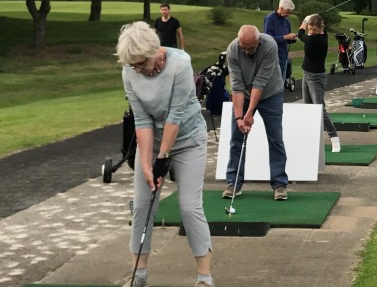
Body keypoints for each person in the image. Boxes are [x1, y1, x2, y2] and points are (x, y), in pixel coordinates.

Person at [116, 22, 212, 287]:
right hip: (154, 140)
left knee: (189, 207)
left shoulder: (180, 63)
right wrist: (147, 165)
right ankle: (140, 275)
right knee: (142, 206)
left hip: (189, 139)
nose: (136, 69)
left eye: (139, 64)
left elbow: (175, 115)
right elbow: (142, 120)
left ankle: (205, 277)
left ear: (153, 51)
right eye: (132, 65)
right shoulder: (129, 71)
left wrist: (162, 159)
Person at [225, 25, 289, 201]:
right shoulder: (233, 49)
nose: (246, 51)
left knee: (275, 138)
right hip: (244, 94)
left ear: (258, 42)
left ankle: (279, 184)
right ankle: (234, 183)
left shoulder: (269, 45)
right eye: (243, 47)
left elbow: (260, 83)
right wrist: (240, 117)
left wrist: (250, 113)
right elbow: (236, 86)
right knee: (236, 138)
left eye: (250, 48)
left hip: (271, 94)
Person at [298, 14, 339, 152]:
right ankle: (311, 140)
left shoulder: (316, 40)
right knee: (308, 108)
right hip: (306, 75)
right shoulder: (322, 34)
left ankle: (334, 138)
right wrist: (310, 20)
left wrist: (304, 21)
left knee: (320, 109)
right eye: (310, 29)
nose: (311, 32)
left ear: (320, 28)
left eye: (314, 29)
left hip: (316, 78)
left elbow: (300, 33)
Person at [263, 0, 297, 90]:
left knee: (281, 81)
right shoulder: (270, 19)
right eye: (288, 11)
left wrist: (293, 38)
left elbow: (287, 38)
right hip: (273, 55)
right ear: (281, 8)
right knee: (274, 83)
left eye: (290, 12)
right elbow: (268, 38)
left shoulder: (287, 22)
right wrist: (285, 37)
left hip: (283, 55)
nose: (289, 14)